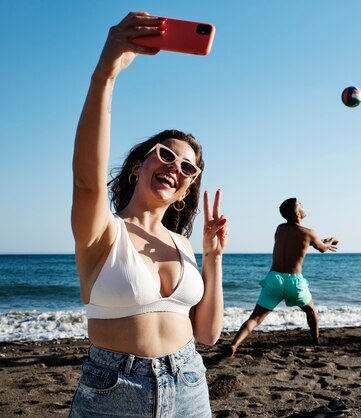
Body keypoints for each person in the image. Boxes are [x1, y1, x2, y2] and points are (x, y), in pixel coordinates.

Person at [69, 12, 228, 417]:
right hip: (114, 390)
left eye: (187, 168)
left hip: (190, 381)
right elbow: (87, 181)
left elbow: (208, 334)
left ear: (185, 191)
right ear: (139, 166)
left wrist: (213, 258)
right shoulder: (105, 231)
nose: (175, 167)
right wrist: (104, 77)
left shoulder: (182, 244)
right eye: (166, 155)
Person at [227, 198, 338, 356]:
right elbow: (322, 248)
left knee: (256, 318)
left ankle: (234, 344)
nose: (303, 205)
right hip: (294, 281)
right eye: (301, 204)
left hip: (274, 279)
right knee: (311, 311)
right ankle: (316, 340)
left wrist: (320, 242)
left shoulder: (280, 229)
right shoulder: (309, 233)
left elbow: (299, 242)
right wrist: (330, 241)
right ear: (297, 212)